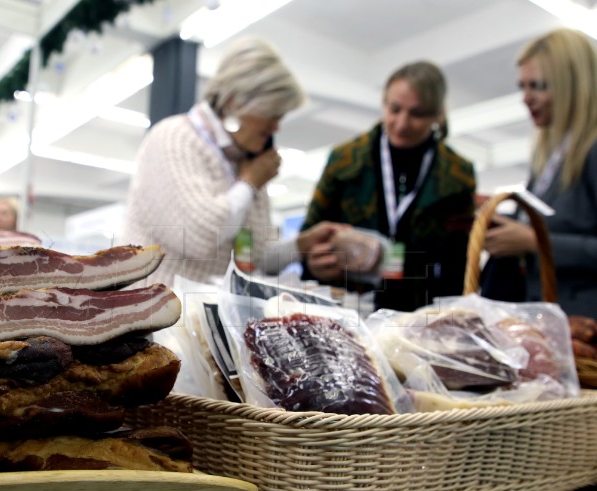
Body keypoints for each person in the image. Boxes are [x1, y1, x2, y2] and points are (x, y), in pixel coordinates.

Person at [121, 37, 343, 287]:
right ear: (234, 101)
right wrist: (248, 184)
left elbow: (254, 256)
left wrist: (301, 245)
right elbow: (201, 236)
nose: (276, 126)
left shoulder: (244, 161)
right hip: (153, 315)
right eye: (272, 114)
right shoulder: (174, 139)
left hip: (203, 317)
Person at [299, 61, 477, 312]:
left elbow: (459, 261)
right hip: (348, 305)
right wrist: (313, 262)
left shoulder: (457, 176)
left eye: (417, 114)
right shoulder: (345, 160)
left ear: (438, 114)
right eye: (394, 109)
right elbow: (310, 233)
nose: (402, 123)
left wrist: (450, 316)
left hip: (418, 312)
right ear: (384, 104)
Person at [482, 28, 597, 326]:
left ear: (573, 85)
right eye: (522, 87)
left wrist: (533, 241)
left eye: (538, 86)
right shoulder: (550, 157)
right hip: (550, 325)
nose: (526, 98)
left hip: (592, 335)